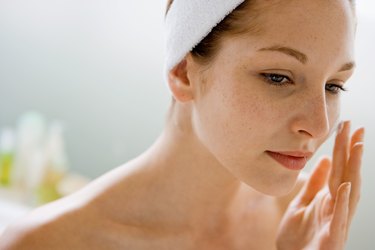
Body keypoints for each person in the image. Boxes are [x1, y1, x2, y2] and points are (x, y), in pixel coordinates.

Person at [0, 0, 365, 249]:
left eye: (334, 85)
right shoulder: (48, 243)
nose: (319, 126)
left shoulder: (306, 221)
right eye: (277, 77)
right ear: (182, 73)